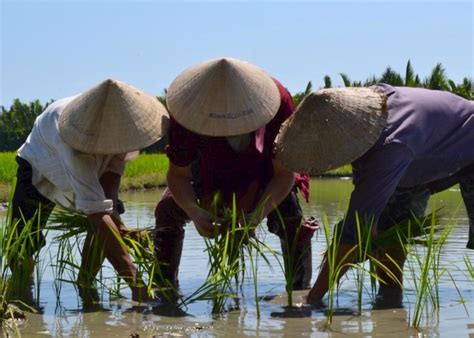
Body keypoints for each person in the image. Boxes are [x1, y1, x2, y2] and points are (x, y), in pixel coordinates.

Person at [274, 84, 473, 305]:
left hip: (465, 145)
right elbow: (366, 207)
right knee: (390, 231)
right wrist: (369, 234)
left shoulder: (391, 144)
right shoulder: (364, 116)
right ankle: (390, 302)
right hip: (421, 154)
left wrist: (311, 301)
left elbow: (354, 229)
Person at [153, 57, 318, 295]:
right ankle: (164, 292)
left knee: (290, 215)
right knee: (168, 207)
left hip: (264, 169)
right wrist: (195, 212)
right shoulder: (187, 109)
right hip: (209, 165)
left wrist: (255, 216)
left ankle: (300, 292)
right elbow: (178, 176)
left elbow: (284, 175)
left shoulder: (277, 101)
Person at [9, 78, 169, 302]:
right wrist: (137, 283)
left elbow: (107, 196)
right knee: (21, 242)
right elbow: (96, 214)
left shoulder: (125, 130)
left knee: (104, 221)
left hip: (86, 159)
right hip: (40, 164)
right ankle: (23, 294)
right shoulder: (72, 140)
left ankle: (85, 285)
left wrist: (116, 221)